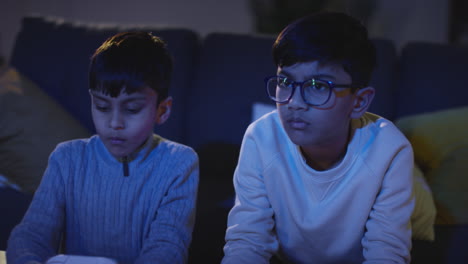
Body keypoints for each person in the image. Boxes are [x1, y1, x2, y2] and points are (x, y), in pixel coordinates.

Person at [222, 12, 415, 264]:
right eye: (285, 82)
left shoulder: (390, 151)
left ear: (359, 102)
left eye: (318, 86)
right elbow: (248, 241)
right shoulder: (261, 137)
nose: (294, 103)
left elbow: (386, 251)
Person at [6, 31, 199, 264]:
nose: (114, 123)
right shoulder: (67, 158)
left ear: (163, 110)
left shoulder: (179, 162)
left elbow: (168, 245)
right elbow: (32, 234)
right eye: (102, 106)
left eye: (132, 109)